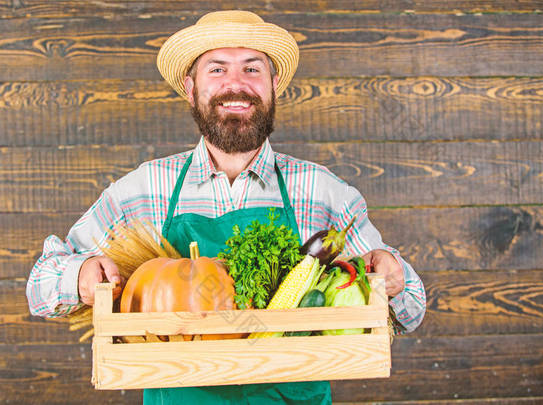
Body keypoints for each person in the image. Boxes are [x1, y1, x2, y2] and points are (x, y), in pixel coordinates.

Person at [26, 10, 426, 405]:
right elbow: (39, 288)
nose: (236, 85)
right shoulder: (143, 190)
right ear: (190, 87)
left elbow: (411, 310)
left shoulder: (323, 192)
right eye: (217, 70)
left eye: (252, 70)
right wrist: (80, 274)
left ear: (273, 85)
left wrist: (391, 277)